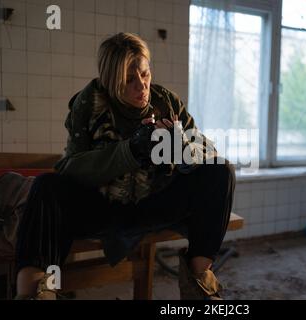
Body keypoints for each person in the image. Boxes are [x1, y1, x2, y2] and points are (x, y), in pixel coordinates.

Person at [14, 32, 235, 300]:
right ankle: (35, 293)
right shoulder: (89, 102)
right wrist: (130, 151)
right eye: (129, 79)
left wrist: (185, 152)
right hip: (102, 207)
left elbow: (208, 149)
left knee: (220, 171)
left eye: (145, 74)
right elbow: (70, 168)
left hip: (155, 202)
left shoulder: (166, 101)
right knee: (47, 185)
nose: (141, 86)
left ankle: (199, 283)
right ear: (110, 81)